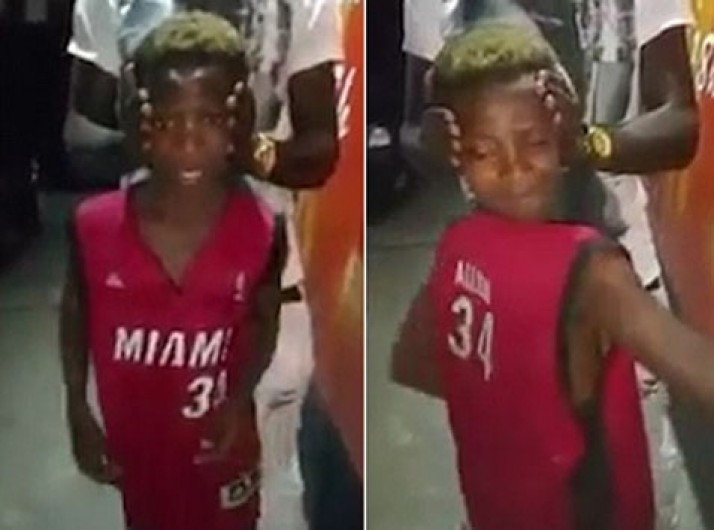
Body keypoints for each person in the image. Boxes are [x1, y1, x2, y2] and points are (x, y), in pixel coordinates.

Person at [392, 21, 714, 530]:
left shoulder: (458, 245)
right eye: (485, 151)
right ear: (457, 153)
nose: (515, 168)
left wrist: (513, 400)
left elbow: (411, 363)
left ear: (563, 137)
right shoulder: (593, 273)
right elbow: (700, 372)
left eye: (534, 142)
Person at [65, 1, 343, 528]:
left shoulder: (304, 7)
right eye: (170, 122)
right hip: (141, 299)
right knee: (156, 492)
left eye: (206, 120)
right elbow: (83, 131)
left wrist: (241, 147)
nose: (187, 136)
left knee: (272, 496)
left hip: (262, 287)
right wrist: (157, 139)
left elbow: (320, 150)